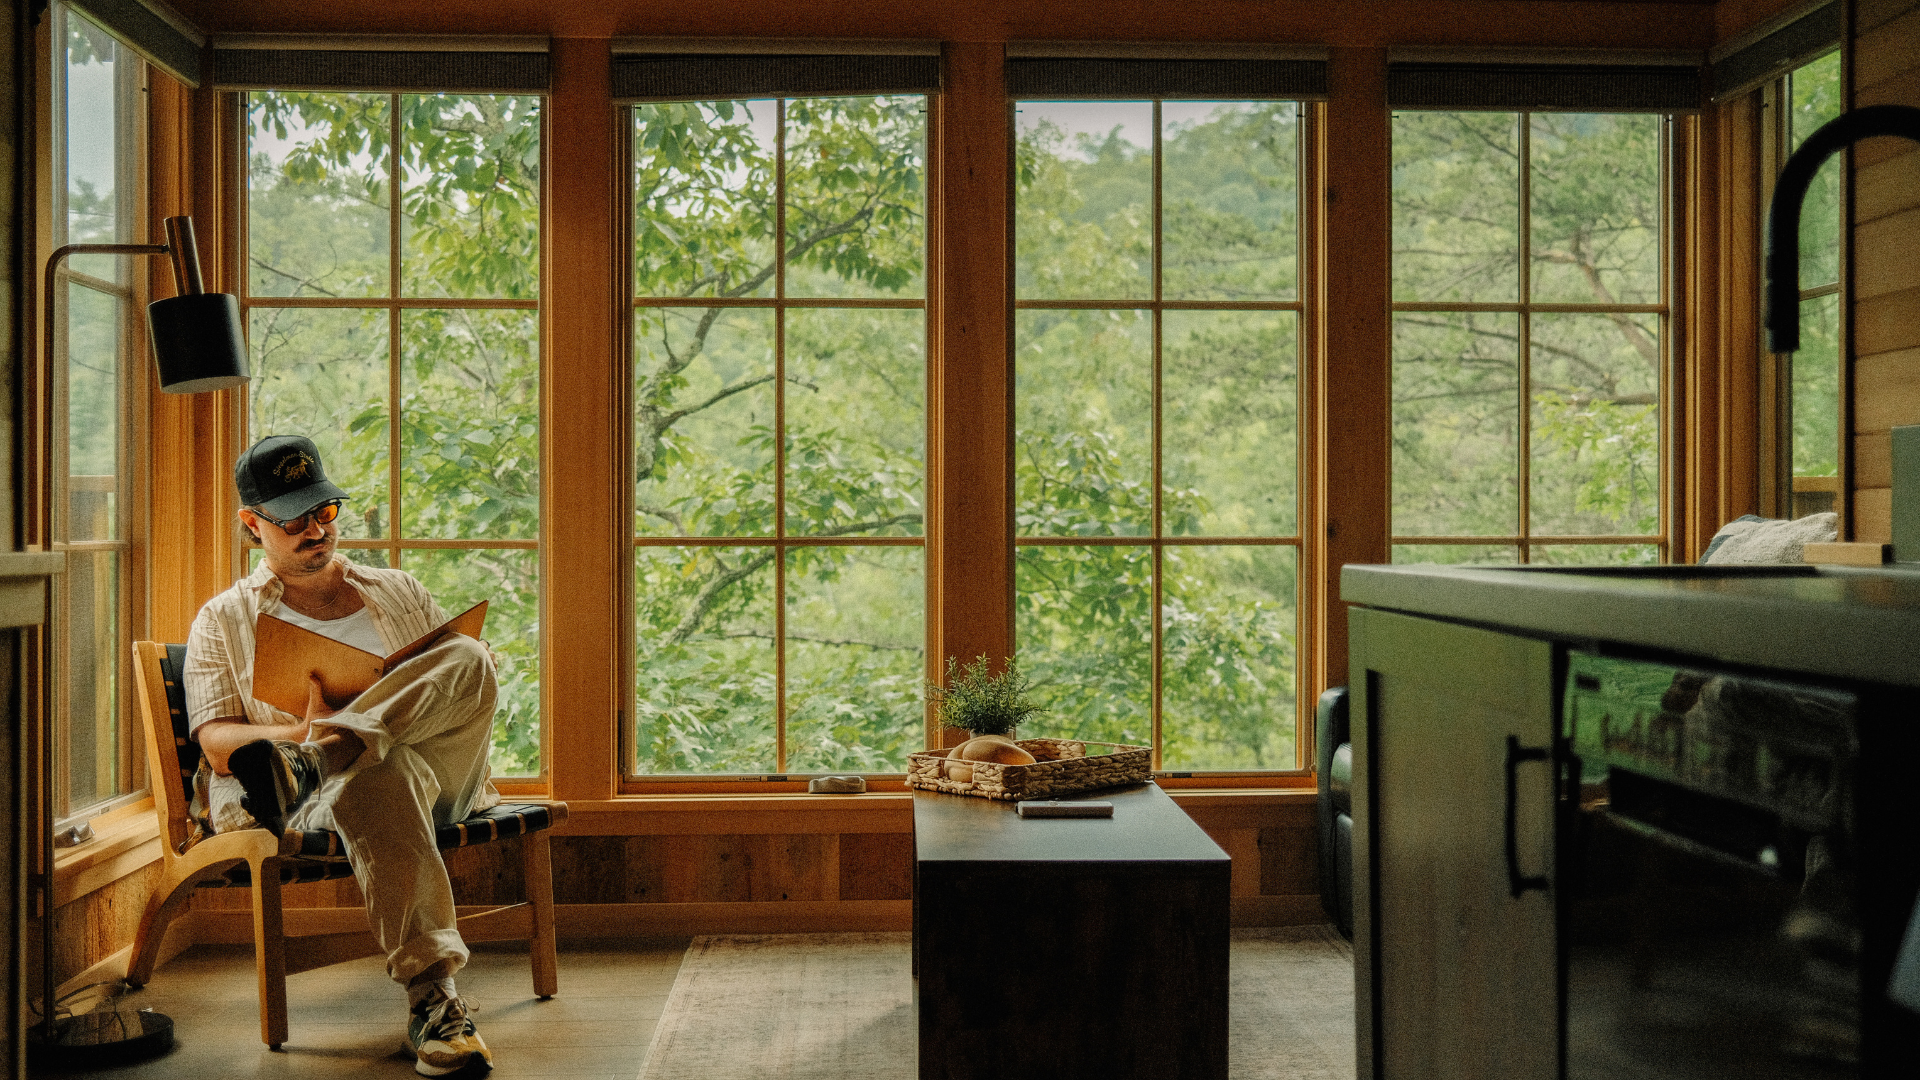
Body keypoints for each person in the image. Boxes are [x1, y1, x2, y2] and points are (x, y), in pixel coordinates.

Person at [184, 434, 498, 1076]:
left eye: (323, 512)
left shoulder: (397, 590)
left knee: (468, 657)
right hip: (328, 799)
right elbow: (216, 745)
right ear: (252, 523)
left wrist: (331, 736)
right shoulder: (222, 619)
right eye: (292, 517)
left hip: (444, 774)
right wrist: (301, 735)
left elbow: (456, 683)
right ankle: (435, 1003)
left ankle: (325, 755)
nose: (314, 530)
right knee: (374, 769)